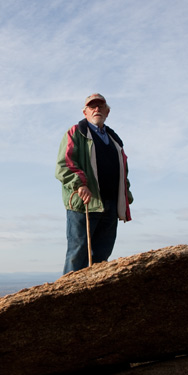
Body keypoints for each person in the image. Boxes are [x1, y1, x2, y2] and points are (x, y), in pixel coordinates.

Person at [55, 93, 133, 273]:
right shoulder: (76, 132)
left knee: (102, 256)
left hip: (111, 204)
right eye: (92, 107)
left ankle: (92, 297)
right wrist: (79, 184)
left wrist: (125, 196)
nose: (96, 109)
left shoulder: (115, 140)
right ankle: (68, 297)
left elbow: (123, 172)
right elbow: (64, 165)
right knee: (77, 252)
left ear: (107, 111)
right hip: (84, 204)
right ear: (85, 112)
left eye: (100, 106)